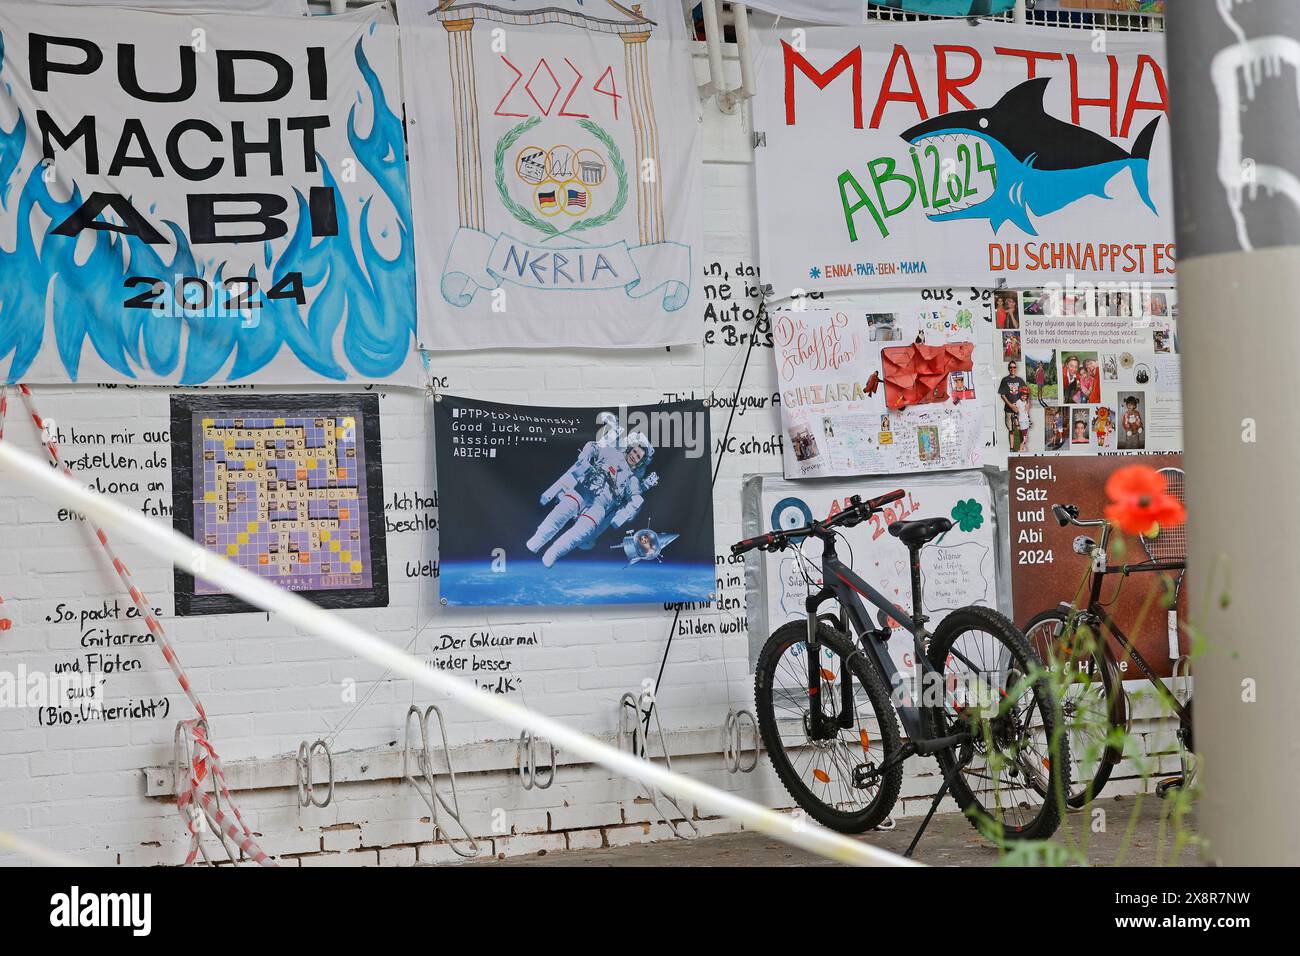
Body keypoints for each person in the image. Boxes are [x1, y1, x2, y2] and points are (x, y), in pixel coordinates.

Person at [527, 429, 658, 568]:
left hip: (601, 506)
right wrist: (585, 456)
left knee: (582, 532)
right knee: (561, 513)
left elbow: (636, 498)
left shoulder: (632, 481)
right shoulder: (612, 453)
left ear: (640, 462)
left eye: (638, 457)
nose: (634, 456)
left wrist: (630, 510)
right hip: (585, 488)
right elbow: (593, 447)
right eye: (635, 452)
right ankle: (538, 540)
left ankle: (554, 552)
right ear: (630, 449)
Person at [998, 362, 1027, 448]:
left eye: (1014, 367)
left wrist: (1026, 405)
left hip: (1019, 410)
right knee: (1011, 430)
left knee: (1021, 429)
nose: (1012, 369)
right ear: (1008, 368)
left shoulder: (1020, 380)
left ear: (1016, 368)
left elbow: (1026, 393)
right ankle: (1012, 448)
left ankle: (1021, 447)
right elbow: (1002, 395)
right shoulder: (1004, 380)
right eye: (1011, 367)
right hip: (1008, 410)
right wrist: (1011, 405)